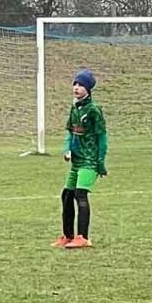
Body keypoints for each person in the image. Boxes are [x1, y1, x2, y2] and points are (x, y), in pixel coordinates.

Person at [56, 68, 107, 249]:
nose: (76, 88)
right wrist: (67, 149)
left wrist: (100, 163)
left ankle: (83, 237)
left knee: (80, 194)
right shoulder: (74, 108)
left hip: (89, 161)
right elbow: (70, 133)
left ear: (89, 89)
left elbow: (102, 137)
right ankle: (68, 236)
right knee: (66, 195)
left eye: (81, 85)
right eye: (75, 84)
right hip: (77, 161)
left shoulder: (94, 110)